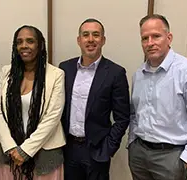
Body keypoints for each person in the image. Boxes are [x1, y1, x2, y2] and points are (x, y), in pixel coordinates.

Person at [128, 14, 187, 180]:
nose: (150, 43)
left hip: (170, 157)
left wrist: (185, 159)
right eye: (144, 38)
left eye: (156, 36)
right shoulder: (139, 74)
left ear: (169, 38)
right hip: (139, 154)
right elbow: (134, 114)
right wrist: (132, 143)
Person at [59, 18, 130, 180]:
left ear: (103, 40)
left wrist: (108, 148)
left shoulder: (115, 73)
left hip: (97, 151)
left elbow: (122, 117)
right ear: (79, 40)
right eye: (86, 35)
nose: (90, 39)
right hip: (68, 149)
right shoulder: (65, 68)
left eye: (96, 35)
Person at [0, 25, 65, 180]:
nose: (24, 46)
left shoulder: (56, 74)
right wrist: (11, 146)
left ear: (39, 45)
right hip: (11, 155)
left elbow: (53, 117)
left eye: (30, 41)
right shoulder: (6, 72)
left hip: (45, 154)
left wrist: (26, 150)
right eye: (19, 42)